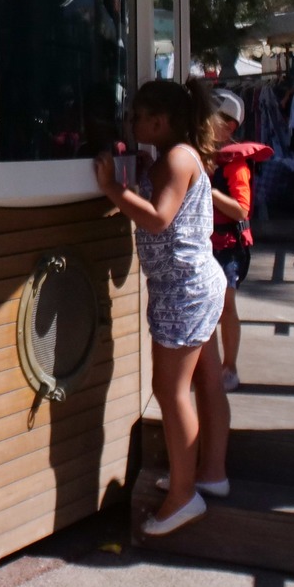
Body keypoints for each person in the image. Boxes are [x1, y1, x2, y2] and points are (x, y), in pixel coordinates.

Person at [95, 80, 230, 536]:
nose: (131, 124)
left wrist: (113, 188)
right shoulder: (180, 155)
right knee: (207, 382)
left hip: (183, 291)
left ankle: (183, 496)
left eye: (137, 116)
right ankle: (209, 474)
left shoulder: (175, 159)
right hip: (195, 283)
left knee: (170, 391)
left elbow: (158, 218)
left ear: (160, 121)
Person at [207, 90, 271, 393]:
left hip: (229, 246)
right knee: (207, 305)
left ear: (229, 126)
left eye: (212, 117)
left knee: (226, 303)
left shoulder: (235, 164)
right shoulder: (202, 155)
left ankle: (229, 366)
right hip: (206, 241)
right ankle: (207, 366)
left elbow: (242, 209)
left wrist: (208, 192)